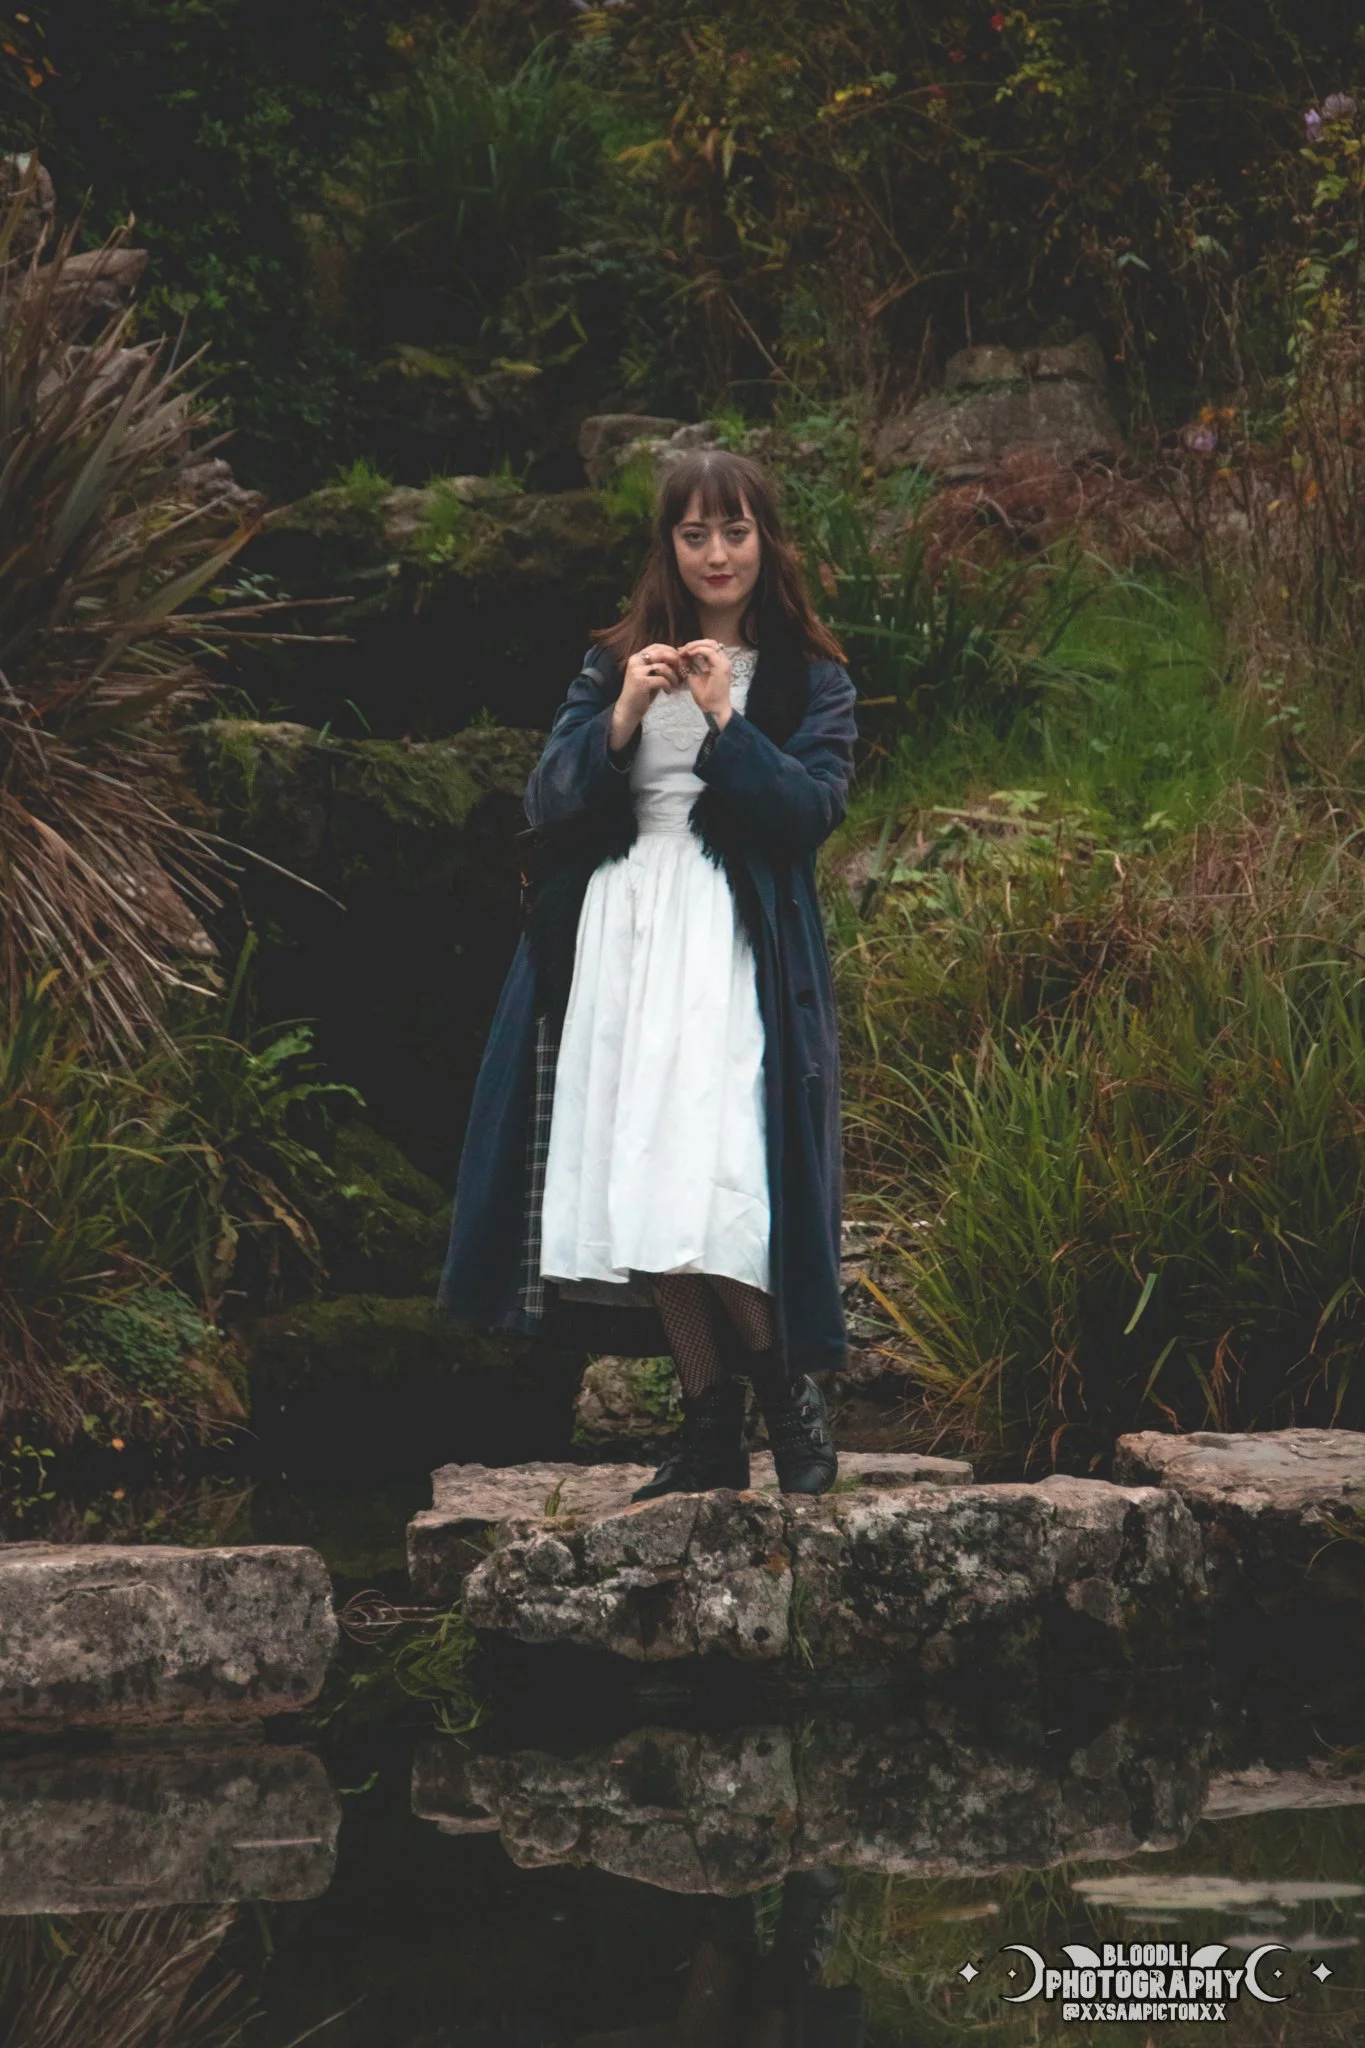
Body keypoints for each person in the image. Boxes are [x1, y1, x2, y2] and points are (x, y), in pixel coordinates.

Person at [437, 447, 858, 1497]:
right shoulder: (614, 660)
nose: (717, 553)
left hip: (732, 943)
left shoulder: (811, 674)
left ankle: (792, 1398)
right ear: (668, 546)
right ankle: (711, 1422)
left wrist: (725, 720)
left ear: (766, 539)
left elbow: (808, 813)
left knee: (707, 1181)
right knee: (644, 1184)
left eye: (736, 530)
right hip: (623, 938)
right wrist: (623, 714)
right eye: (694, 533)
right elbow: (549, 799)